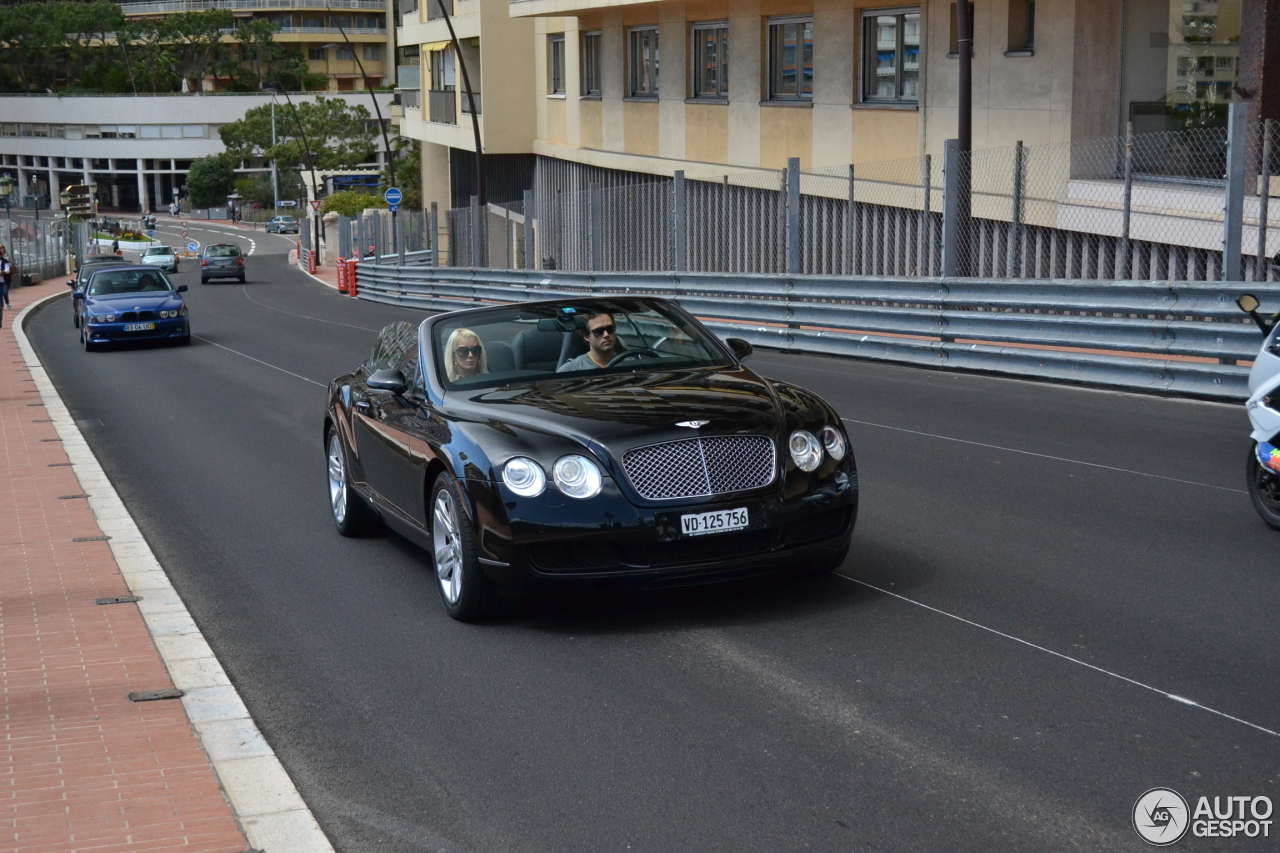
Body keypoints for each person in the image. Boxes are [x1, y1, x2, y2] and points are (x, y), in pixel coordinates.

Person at [0, 244, 11, 310]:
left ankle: (7, 302)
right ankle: (1, 306)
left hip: (4, 280)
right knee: (0, 293)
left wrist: (2, 272)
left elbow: (7, 270)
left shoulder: (5, 261)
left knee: (4, 292)